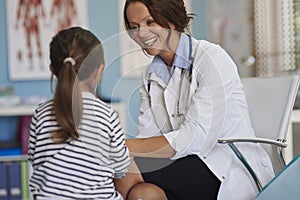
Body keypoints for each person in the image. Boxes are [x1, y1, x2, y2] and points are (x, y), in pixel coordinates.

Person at [114, 0, 275, 200]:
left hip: (223, 164)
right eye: (135, 27)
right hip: (184, 161)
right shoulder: (150, 75)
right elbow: (147, 135)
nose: (142, 33)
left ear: (171, 19)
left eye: (150, 22)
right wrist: (123, 149)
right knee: (142, 193)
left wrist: (119, 145)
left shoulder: (211, 58)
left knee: (126, 168)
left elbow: (197, 137)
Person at [28, 27, 130, 200]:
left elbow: (34, 159)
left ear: (53, 69)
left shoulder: (41, 113)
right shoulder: (106, 114)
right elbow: (121, 166)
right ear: (99, 70)